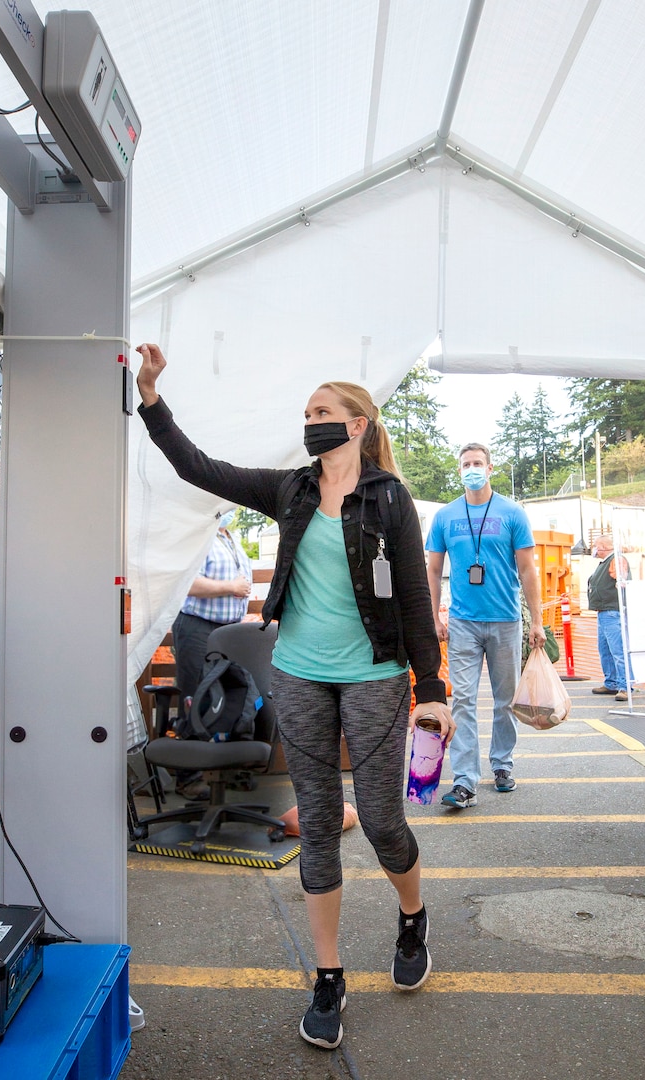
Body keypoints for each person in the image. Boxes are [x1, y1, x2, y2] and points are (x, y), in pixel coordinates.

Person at [135, 342, 454, 1051]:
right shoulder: (291, 490)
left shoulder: (389, 498)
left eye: (323, 412)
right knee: (315, 822)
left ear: (359, 424)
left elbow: (411, 595)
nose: (310, 421)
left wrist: (430, 690)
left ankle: (411, 917)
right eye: (306, 412)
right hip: (301, 674)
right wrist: (152, 400)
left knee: (378, 820)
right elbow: (200, 468)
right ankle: (329, 980)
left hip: (375, 675)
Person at [425, 443, 545, 810]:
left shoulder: (512, 513)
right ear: (458, 470)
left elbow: (527, 570)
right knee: (461, 700)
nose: (472, 469)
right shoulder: (446, 516)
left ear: (490, 468)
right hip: (462, 622)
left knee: (505, 701)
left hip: (506, 620)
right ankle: (464, 781)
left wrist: (537, 621)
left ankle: (503, 765)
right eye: (466, 464)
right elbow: (432, 569)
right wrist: (434, 615)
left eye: (478, 463)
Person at [171, 510, 253, 801]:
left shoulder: (228, 536)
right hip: (198, 627)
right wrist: (230, 587)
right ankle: (188, 777)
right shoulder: (197, 534)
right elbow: (186, 582)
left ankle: (229, 772)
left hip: (228, 631)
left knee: (232, 698)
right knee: (195, 699)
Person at [587, 534, 631, 702]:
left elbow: (621, 578)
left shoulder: (616, 559)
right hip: (605, 612)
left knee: (618, 650)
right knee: (605, 650)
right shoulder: (607, 562)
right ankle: (612, 682)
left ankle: (624, 686)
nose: (594, 549)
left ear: (603, 547)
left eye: (596, 546)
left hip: (612, 611)